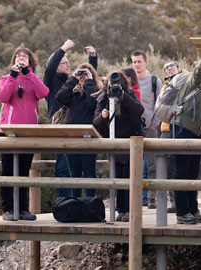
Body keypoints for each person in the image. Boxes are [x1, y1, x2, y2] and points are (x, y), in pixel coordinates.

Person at [0, 43, 49, 221]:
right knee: (8, 171)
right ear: (13, 60)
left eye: (24, 56)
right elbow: (2, 97)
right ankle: (8, 210)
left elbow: (43, 92)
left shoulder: (33, 80)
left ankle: (23, 209)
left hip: (28, 132)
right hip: (8, 132)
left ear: (30, 61)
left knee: (23, 172)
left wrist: (28, 74)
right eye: (18, 55)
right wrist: (13, 75)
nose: (20, 57)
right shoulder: (5, 78)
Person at [170, 51, 201, 224]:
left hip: (196, 130)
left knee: (193, 172)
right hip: (182, 127)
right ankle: (182, 212)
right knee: (182, 171)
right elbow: (199, 71)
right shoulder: (195, 79)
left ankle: (193, 210)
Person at [43, 39, 97, 197]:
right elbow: (49, 68)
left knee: (75, 170)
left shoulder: (70, 82)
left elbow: (89, 81)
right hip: (60, 129)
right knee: (63, 168)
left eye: (68, 62)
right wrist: (63, 49)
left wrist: (92, 59)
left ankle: (76, 203)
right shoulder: (51, 81)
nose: (68, 65)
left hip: (74, 129)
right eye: (63, 62)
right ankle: (64, 203)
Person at [93, 71, 144, 222]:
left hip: (130, 143)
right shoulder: (103, 97)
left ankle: (129, 209)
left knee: (129, 177)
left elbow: (139, 110)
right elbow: (95, 122)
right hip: (114, 144)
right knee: (117, 177)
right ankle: (121, 209)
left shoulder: (129, 94)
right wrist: (103, 116)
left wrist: (124, 96)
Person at [55, 63, 101, 197]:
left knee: (89, 173)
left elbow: (92, 104)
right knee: (74, 173)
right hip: (72, 137)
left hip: (89, 137)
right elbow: (60, 97)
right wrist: (73, 79)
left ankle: (90, 204)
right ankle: (75, 204)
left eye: (85, 73)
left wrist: (89, 82)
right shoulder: (72, 91)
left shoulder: (96, 89)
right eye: (80, 73)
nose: (82, 76)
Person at [131, 50, 163, 209]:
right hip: (133, 128)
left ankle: (151, 198)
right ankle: (135, 198)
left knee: (152, 164)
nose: (137, 64)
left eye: (139, 61)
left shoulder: (154, 81)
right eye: (134, 62)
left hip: (150, 127)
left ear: (146, 62)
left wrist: (154, 123)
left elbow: (160, 103)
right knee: (133, 165)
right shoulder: (129, 82)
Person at [159, 60, 185, 213]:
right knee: (168, 168)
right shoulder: (165, 87)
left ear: (179, 68)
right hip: (167, 128)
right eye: (166, 68)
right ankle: (173, 201)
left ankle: (183, 201)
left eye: (172, 66)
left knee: (180, 165)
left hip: (181, 127)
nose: (169, 69)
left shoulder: (186, 82)